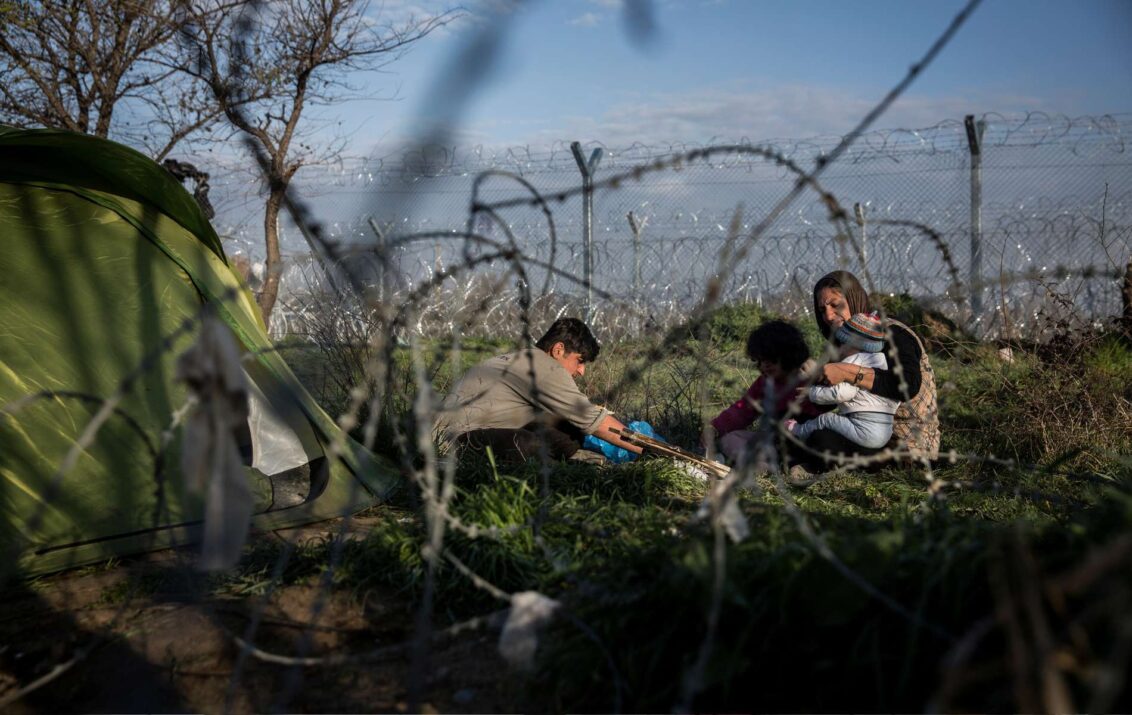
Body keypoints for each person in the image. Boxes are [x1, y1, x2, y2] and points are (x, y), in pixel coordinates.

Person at [435, 317, 642, 464]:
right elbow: (595, 422)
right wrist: (652, 452)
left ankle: (567, 462)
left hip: (475, 430)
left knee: (565, 429)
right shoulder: (542, 367)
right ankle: (559, 469)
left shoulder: (526, 359)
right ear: (558, 350)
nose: (581, 370)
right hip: (452, 443)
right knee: (525, 444)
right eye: (579, 360)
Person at [794, 270, 940, 471]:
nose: (828, 315)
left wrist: (846, 372)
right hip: (861, 428)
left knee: (821, 441)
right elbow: (830, 399)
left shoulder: (891, 332)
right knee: (801, 427)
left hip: (906, 443)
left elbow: (908, 384)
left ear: (854, 299)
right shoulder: (847, 342)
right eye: (822, 310)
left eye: (836, 305)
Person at [707, 319, 823, 462]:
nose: (764, 366)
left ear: (788, 354)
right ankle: (761, 465)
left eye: (771, 360)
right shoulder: (764, 383)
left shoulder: (810, 378)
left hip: (805, 441)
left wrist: (819, 377)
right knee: (730, 439)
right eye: (760, 361)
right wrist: (715, 428)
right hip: (774, 443)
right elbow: (742, 411)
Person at [787, 312, 900, 450]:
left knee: (826, 419)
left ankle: (799, 431)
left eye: (841, 343)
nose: (839, 349)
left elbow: (840, 393)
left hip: (865, 428)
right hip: (884, 430)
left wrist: (811, 393)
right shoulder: (880, 362)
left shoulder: (853, 361)